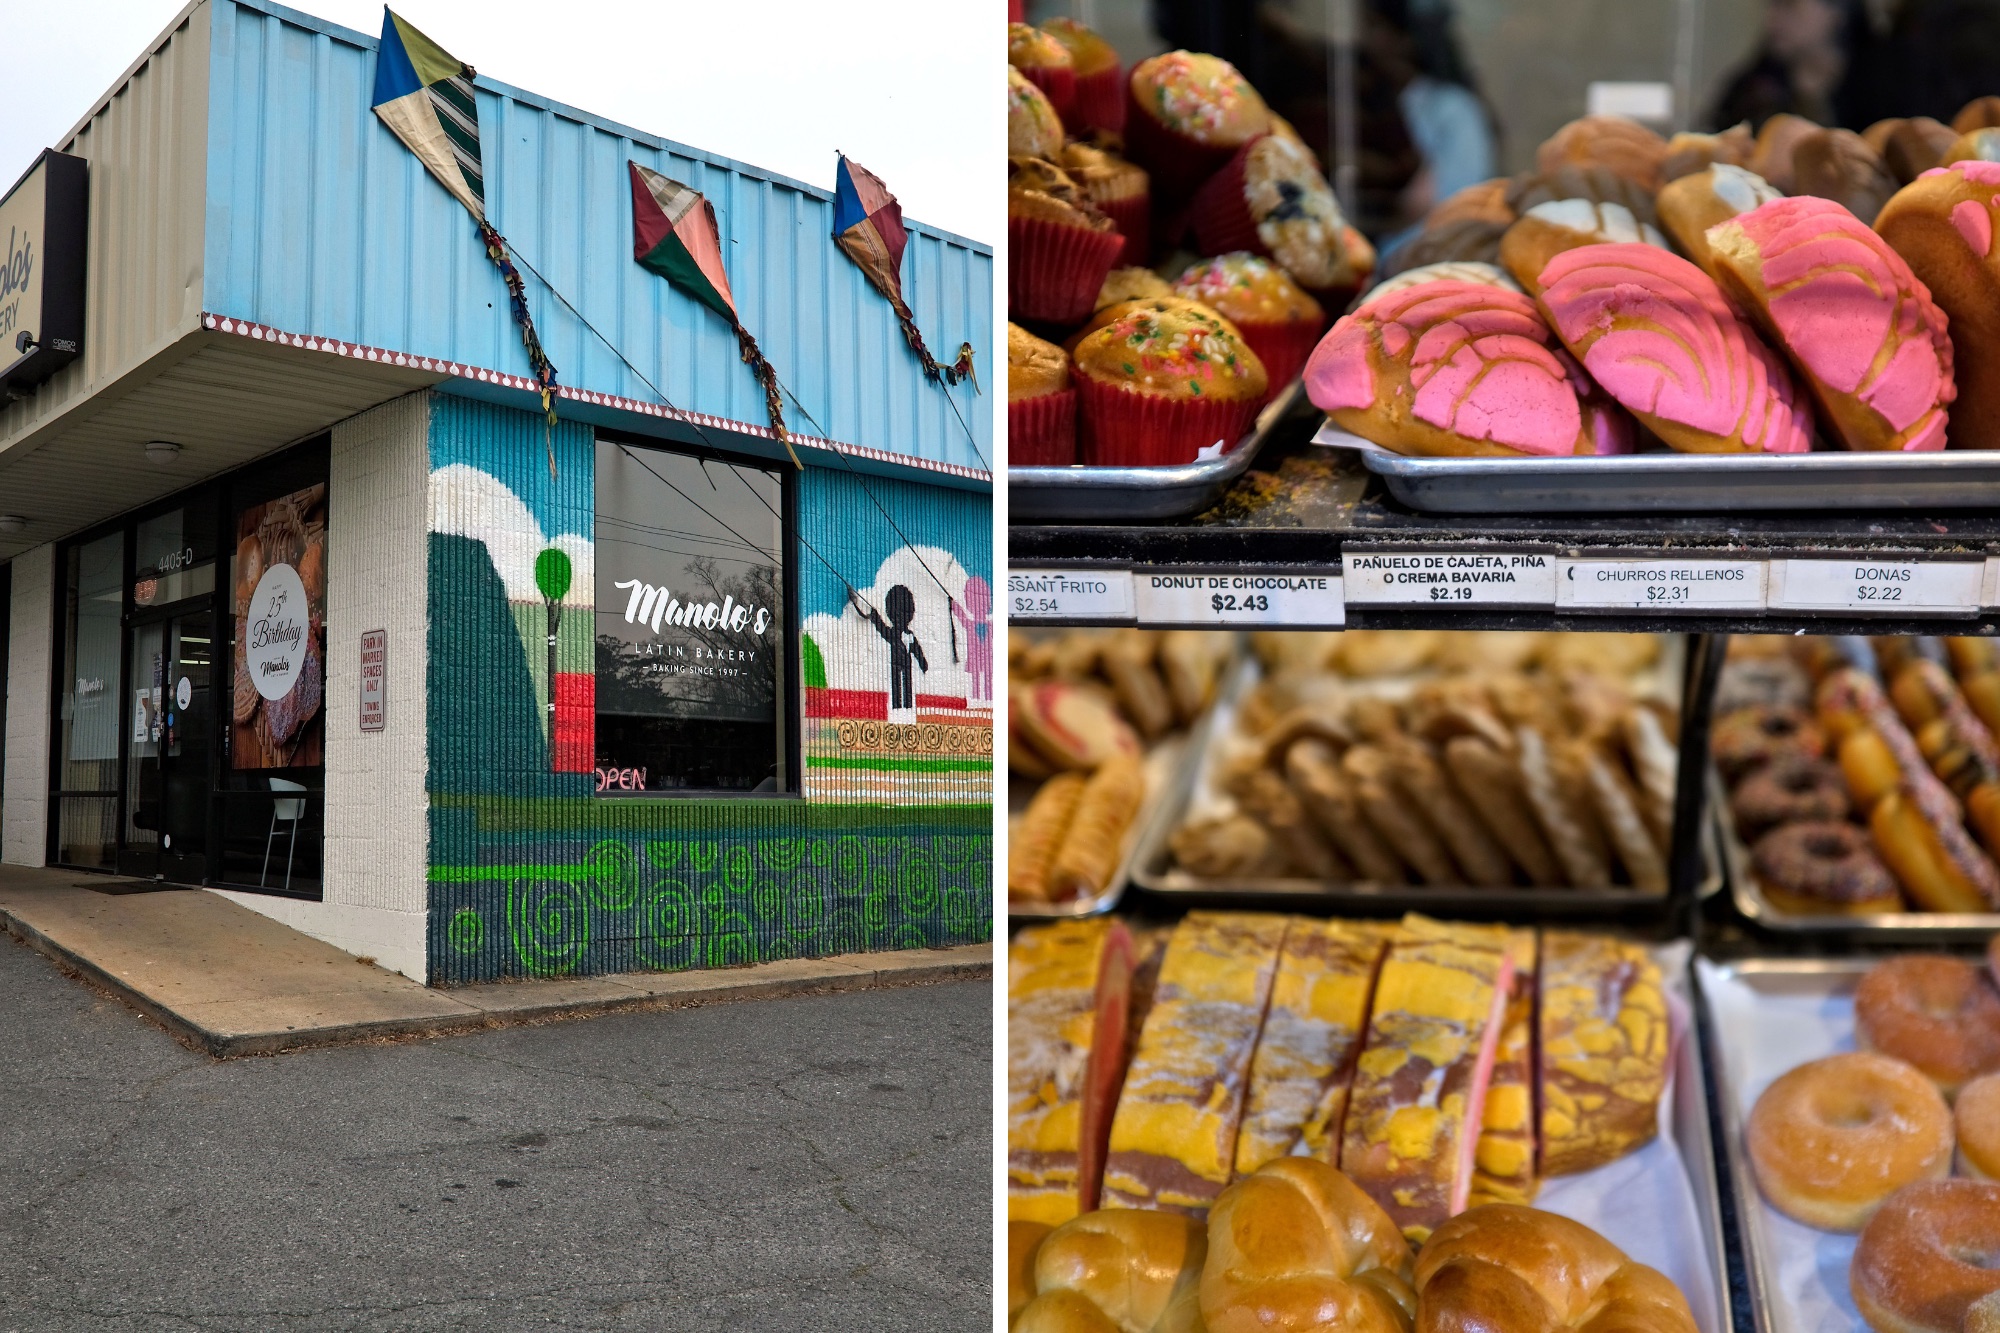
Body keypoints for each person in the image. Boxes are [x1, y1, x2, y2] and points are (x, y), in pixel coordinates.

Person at [1709, 0, 1855, 130]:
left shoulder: (1871, 81)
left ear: (1835, 13)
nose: (1770, 19)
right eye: (1770, 5)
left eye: (1789, 4)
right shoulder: (1752, 87)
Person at [850, 583, 928, 723]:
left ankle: (907, 708)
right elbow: (883, 629)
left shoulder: (908, 635)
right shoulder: (895, 634)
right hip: (896, 664)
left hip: (904, 663)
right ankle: (898, 710)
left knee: (907, 685)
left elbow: (917, 650)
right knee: (897, 684)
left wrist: (923, 663)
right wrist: (875, 617)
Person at [949, 576, 993, 704]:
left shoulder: (991, 625)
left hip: (988, 660)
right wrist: (954, 605)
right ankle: (976, 699)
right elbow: (961, 616)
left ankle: (988, 700)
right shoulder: (970, 624)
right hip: (975, 659)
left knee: (988, 679)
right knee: (975, 680)